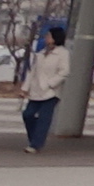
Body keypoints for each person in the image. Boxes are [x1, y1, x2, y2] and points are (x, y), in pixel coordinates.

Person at [18, 24, 68, 152]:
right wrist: (25, 88)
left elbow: (64, 72)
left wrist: (50, 84)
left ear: (55, 38)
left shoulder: (63, 53)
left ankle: (35, 144)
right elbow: (32, 72)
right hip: (36, 90)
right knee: (28, 114)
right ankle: (34, 138)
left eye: (49, 36)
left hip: (51, 92)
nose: (46, 38)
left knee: (43, 119)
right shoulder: (41, 53)